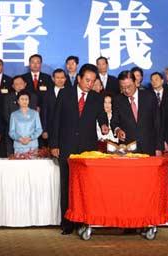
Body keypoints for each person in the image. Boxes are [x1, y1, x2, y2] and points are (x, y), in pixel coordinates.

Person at [50, 64, 109, 235]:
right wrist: (54, 144)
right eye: (87, 80)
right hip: (66, 147)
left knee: (84, 187)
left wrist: (104, 124)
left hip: (87, 149)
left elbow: (102, 115)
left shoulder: (97, 98)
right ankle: (67, 223)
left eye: (93, 81)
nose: (90, 84)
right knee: (67, 185)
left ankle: (84, 221)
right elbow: (56, 120)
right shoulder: (64, 93)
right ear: (79, 78)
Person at [111, 70, 162, 156]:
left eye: (129, 86)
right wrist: (117, 130)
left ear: (136, 82)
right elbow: (114, 121)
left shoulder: (149, 96)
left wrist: (159, 147)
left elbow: (158, 123)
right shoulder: (117, 100)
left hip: (149, 147)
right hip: (128, 148)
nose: (126, 90)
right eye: (122, 87)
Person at [2, 75, 38, 156]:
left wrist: (27, 135)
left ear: (25, 84)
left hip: (30, 136)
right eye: (16, 84)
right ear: (13, 86)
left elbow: (33, 115)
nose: (19, 86)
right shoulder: (7, 97)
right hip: (13, 134)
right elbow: (6, 115)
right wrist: (18, 131)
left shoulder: (33, 97)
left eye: (21, 83)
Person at [41, 69, 66, 140]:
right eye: (57, 78)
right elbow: (44, 113)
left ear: (65, 79)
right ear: (53, 79)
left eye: (62, 78)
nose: (60, 80)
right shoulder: (47, 94)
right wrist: (44, 130)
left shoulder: (71, 93)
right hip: (51, 129)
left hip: (67, 129)